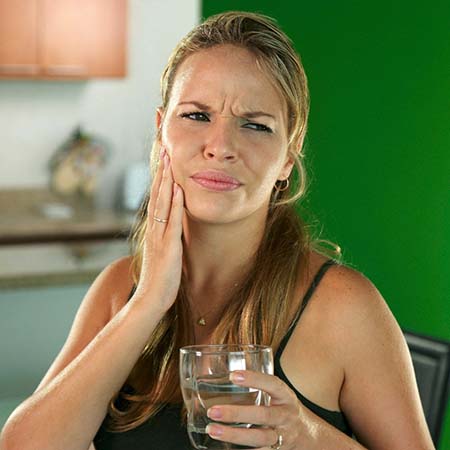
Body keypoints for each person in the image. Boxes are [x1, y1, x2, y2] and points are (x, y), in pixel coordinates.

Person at [0, 11, 435, 450]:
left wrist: (307, 435)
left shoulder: (344, 308)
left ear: (288, 155)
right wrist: (148, 303)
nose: (221, 146)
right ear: (160, 132)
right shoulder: (120, 291)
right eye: (196, 115)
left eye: (255, 124)